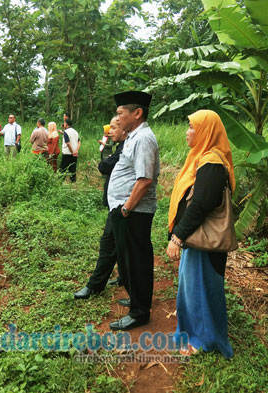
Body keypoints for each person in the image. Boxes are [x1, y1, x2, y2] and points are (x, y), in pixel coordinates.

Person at [166, 109, 235, 358]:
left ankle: (203, 340)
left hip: (203, 240)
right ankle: (196, 332)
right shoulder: (202, 158)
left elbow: (201, 204)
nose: (188, 131)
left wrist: (178, 237)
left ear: (207, 131)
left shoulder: (212, 163)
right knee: (194, 288)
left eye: (192, 127)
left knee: (201, 290)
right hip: (197, 238)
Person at [107, 90, 160, 331]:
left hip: (134, 212)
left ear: (137, 113)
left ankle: (140, 312)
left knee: (137, 260)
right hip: (126, 210)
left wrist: (126, 209)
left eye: (120, 113)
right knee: (128, 259)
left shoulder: (144, 138)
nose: (117, 118)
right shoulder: (132, 136)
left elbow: (144, 180)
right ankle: (137, 298)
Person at [74, 117, 126, 300]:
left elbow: (104, 166)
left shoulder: (126, 147)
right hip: (118, 203)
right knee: (120, 243)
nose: (110, 131)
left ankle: (95, 285)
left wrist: (107, 155)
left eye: (113, 127)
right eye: (109, 128)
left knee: (108, 243)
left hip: (124, 205)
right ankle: (124, 277)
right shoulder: (119, 146)